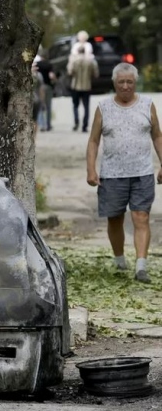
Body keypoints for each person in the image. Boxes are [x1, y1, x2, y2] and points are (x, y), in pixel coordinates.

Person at [86, 63, 162, 284]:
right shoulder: (104, 107)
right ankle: (119, 259)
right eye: (122, 82)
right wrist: (91, 169)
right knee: (115, 219)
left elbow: (157, 136)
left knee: (141, 217)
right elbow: (93, 140)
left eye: (130, 82)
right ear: (114, 83)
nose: (126, 86)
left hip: (142, 173)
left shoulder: (148, 105)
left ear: (135, 83)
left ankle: (141, 267)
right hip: (112, 175)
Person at [68, 45, 99, 132]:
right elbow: (96, 73)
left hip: (75, 86)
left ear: (78, 51)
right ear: (84, 51)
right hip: (86, 86)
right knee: (86, 106)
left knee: (75, 105)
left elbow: (70, 72)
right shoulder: (90, 61)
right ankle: (85, 126)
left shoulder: (74, 61)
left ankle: (76, 121)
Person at [34, 53, 55, 131]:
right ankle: (48, 124)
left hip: (38, 87)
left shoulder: (37, 64)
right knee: (48, 106)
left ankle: (41, 124)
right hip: (48, 86)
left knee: (40, 106)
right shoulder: (49, 65)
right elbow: (51, 76)